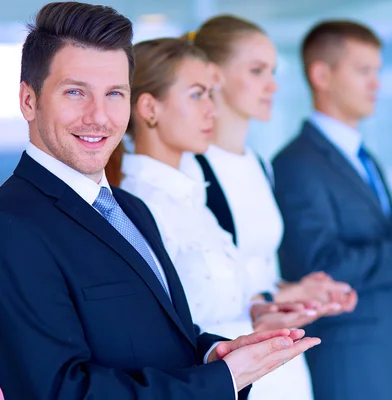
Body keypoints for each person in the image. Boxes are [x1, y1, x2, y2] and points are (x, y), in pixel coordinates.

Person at [0, 3, 320, 399]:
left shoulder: (131, 210)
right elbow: (56, 392)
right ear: (28, 101)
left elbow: (156, 336)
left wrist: (212, 353)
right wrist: (221, 380)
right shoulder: (11, 224)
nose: (99, 116)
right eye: (75, 92)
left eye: (114, 93)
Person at [105, 34, 353, 400]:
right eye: (197, 95)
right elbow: (156, 336)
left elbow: (218, 296)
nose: (212, 110)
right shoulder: (137, 208)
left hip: (262, 377)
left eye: (209, 94)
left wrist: (266, 309)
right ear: (149, 109)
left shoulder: (195, 197)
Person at [272, 20, 392, 400]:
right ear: (321, 74)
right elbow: (322, 267)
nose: (377, 82)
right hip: (352, 366)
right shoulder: (295, 164)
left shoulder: (365, 158)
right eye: (364, 71)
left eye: (377, 71)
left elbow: (377, 251)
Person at [178, 15, 358, 399]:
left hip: (283, 356)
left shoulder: (259, 164)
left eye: (273, 71)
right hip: (234, 357)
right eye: (258, 71)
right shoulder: (190, 169)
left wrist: (299, 290)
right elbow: (197, 287)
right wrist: (274, 301)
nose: (272, 85)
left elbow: (257, 269)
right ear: (215, 75)